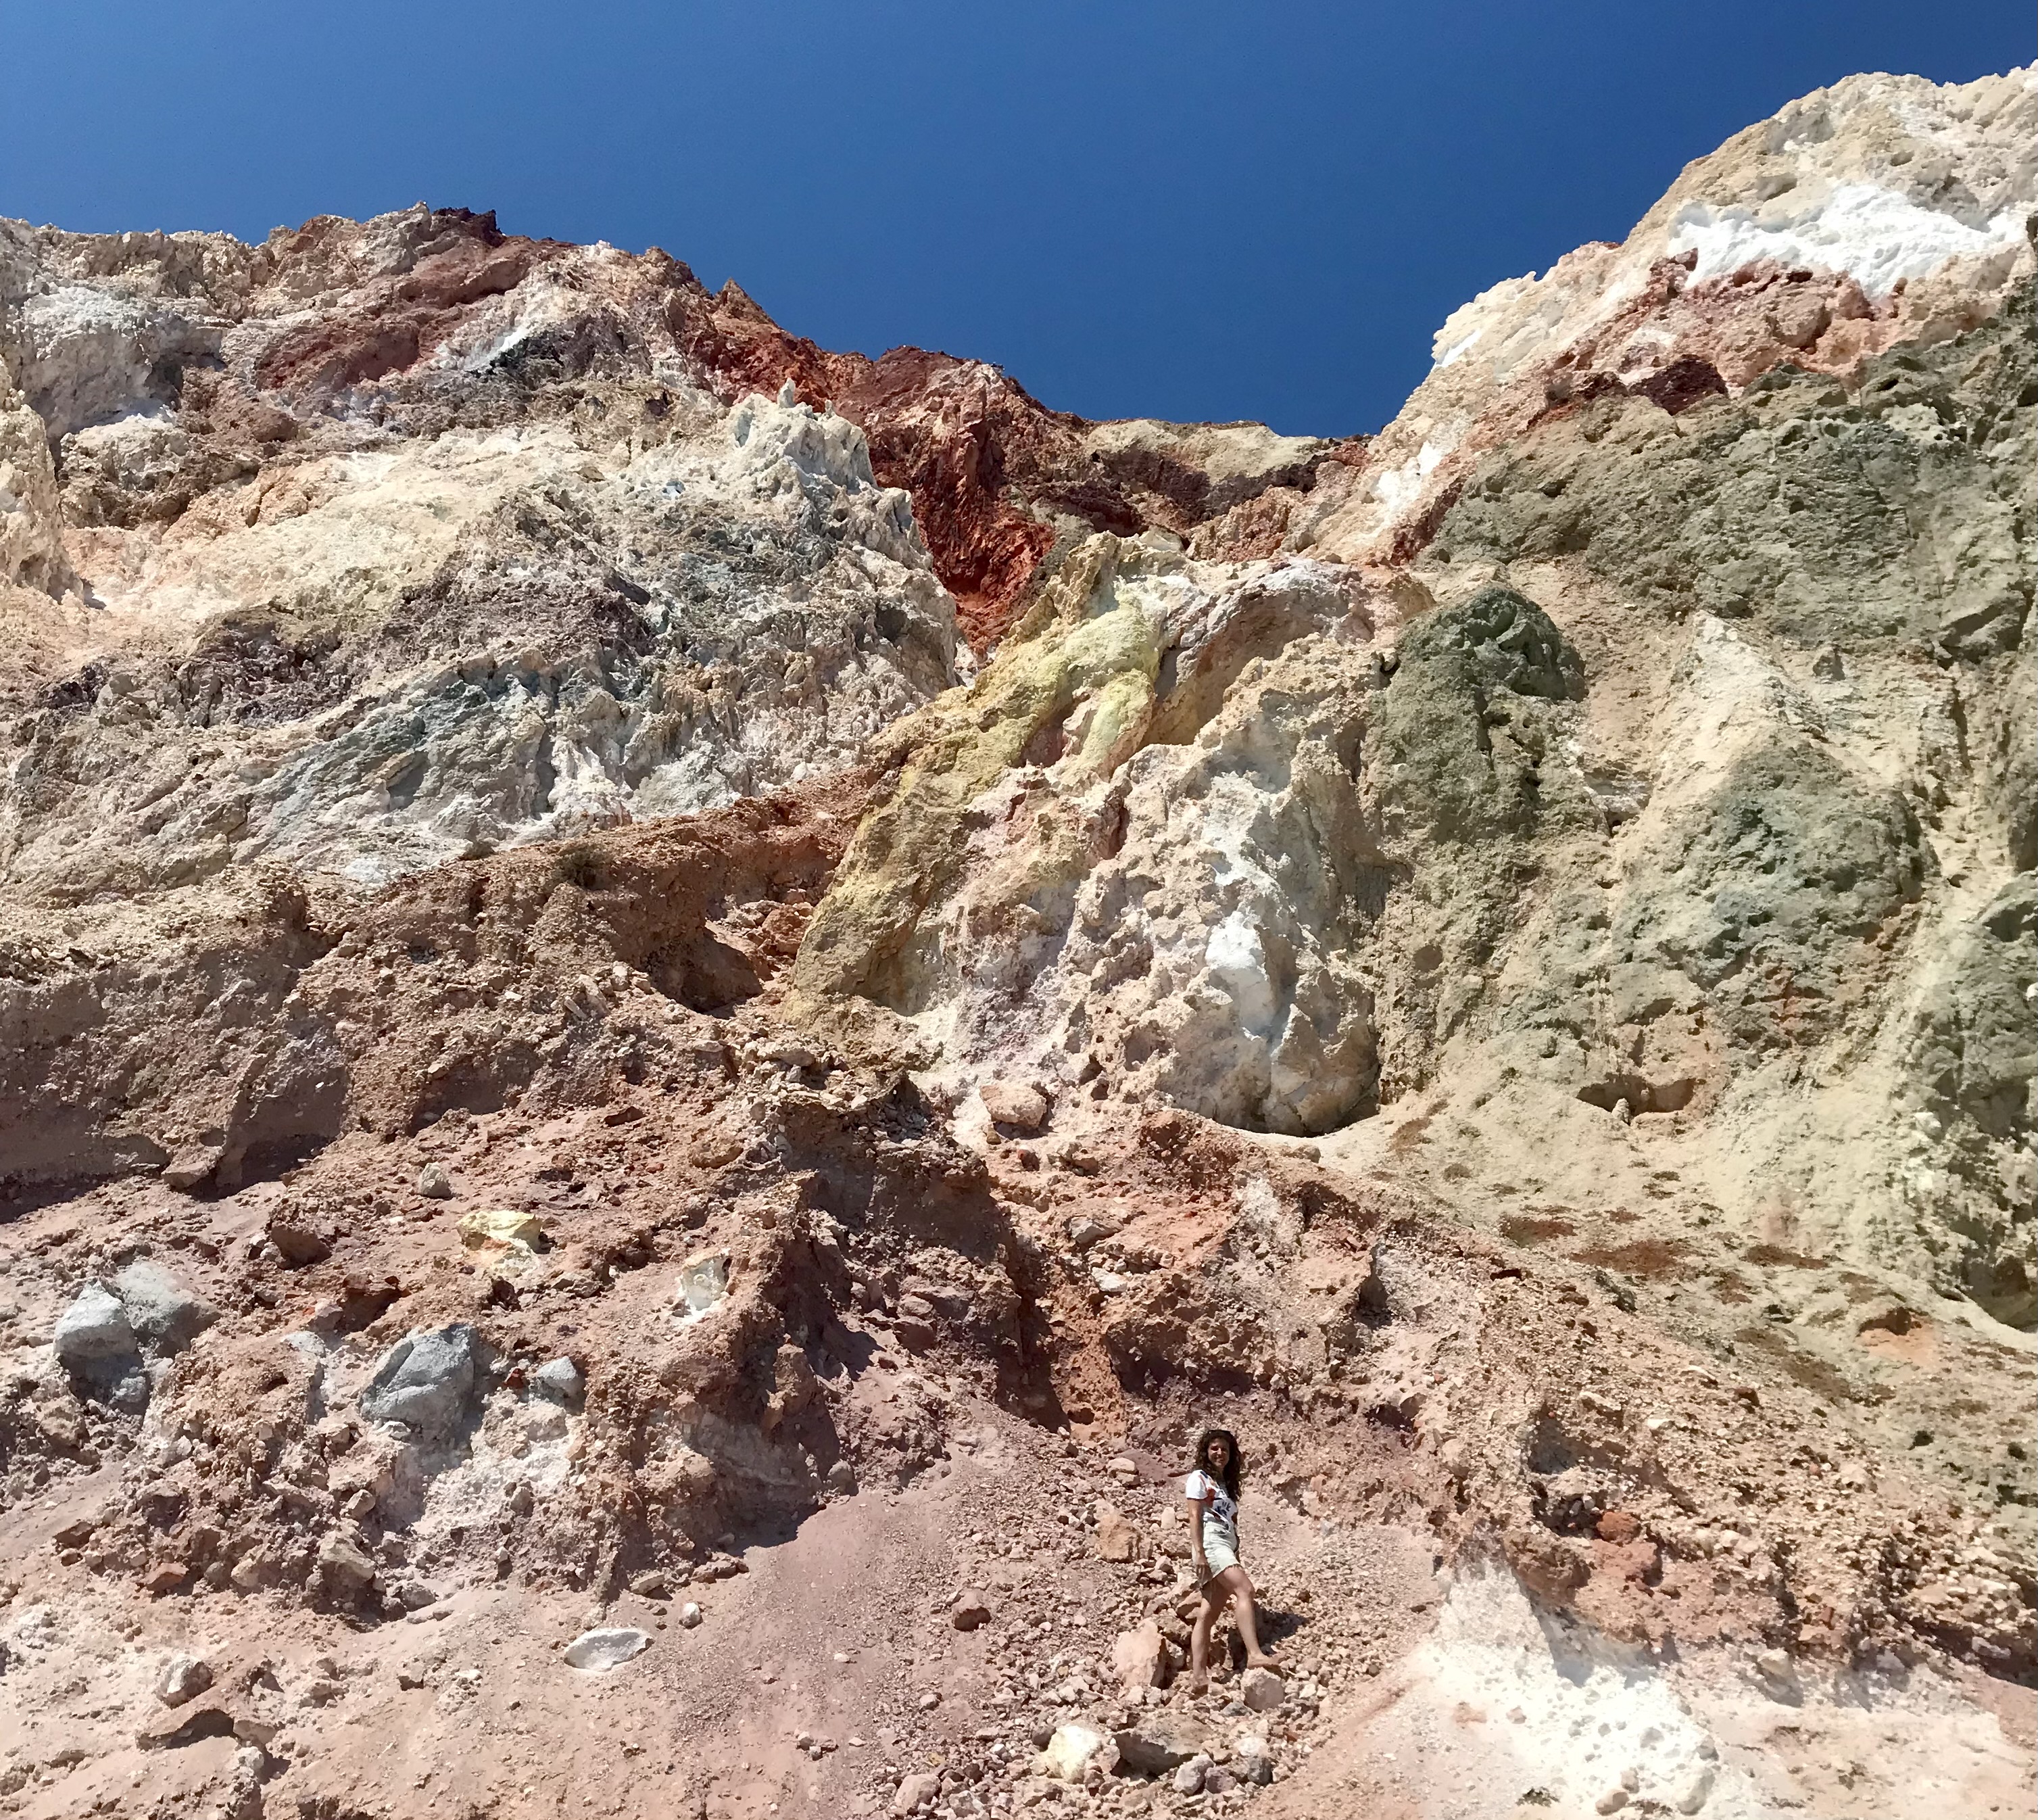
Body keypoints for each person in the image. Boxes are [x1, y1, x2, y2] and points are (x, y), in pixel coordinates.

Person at [1183, 1426, 1278, 1695]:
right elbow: (1194, 1516)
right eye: (1214, 1448)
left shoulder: (1225, 1486)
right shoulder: (1198, 1478)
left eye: (1224, 1449)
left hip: (1226, 1544)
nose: (1219, 1453)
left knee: (1209, 1613)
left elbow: (1232, 1523)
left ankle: (1199, 1677)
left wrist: (1235, 1552)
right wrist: (1199, 1552)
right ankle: (1255, 1654)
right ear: (1206, 1451)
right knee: (1245, 1589)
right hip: (1211, 1543)